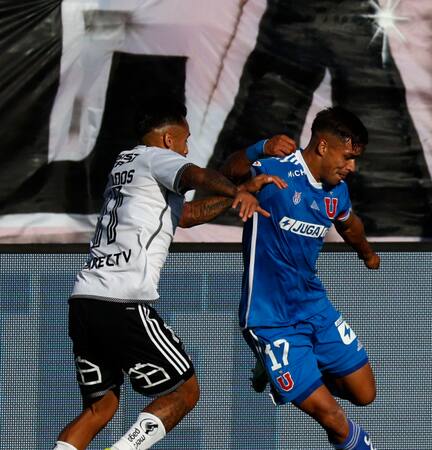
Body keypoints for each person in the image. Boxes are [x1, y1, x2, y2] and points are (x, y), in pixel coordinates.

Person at [54, 100, 286, 450]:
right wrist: (235, 189)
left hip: (85, 301)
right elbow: (197, 175)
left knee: (100, 407)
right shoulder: (157, 157)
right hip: (123, 301)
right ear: (167, 140)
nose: (186, 148)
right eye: (185, 140)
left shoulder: (125, 164)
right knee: (185, 391)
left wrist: (239, 195)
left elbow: (187, 215)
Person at [222, 106, 380, 450]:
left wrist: (366, 252)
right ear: (323, 146)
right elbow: (227, 172)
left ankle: (284, 369)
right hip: (270, 319)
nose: (352, 167)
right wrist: (256, 153)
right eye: (348, 157)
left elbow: (349, 225)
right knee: (336, 422)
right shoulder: (276, 170)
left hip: (313, 306)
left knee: (365, 393)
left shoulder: (335, 191)